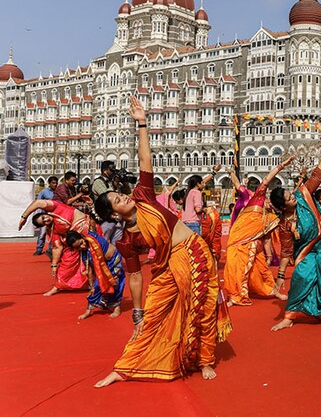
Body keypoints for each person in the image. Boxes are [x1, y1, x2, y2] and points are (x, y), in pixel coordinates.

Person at [91, 96, 228, 387]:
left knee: (201, 305)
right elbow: (136, 278)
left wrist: (141, 123)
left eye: (120, 194)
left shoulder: (143, 196)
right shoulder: (127, 240)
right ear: (115, 214)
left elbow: (145, 160)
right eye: (118, 200)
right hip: (167, 266)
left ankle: (205, 360)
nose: (124, 196)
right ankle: (124, 367)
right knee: (151, 317)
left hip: (193, 252)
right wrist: (137, 312)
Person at [270, 138, 321, 331]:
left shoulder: (302, 196)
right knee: (300, 276)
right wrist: (280, 276)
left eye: (290, 194)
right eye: (288, 199)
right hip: (308, 251)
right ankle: (289, 316)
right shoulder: (285, 225)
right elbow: (287, 251)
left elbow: (316, 177)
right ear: (282, 207)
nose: (292, 198)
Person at [224, 157, 295, 306]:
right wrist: (282, 165)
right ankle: (235, 295)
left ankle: (273, 291)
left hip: (254, 242)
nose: (269, 204)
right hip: (237, 237)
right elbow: (266, 180)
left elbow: (267, 238)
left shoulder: (272, 218)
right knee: (234, 265)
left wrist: (270, 256)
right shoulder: (255, 198)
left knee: (261, 266)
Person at [19, 199, 95, 296]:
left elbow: (37, 203)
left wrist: (24, 217)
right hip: (77, 243)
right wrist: (54, 265)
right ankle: (59, 286)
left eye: (43, 218)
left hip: (91, 231)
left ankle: (101, 283)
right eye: (43, 223)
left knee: (96, 259)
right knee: (67, 258)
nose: (46, 220)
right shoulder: (54, 230)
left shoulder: (56, 207)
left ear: (44, 213)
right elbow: (57, 248)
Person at [64, 230, 125, 320]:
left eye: (81, 243)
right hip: (102, 269)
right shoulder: (84, 252)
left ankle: (117, 308)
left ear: (83, 237)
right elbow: (90, 269)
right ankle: (89, 310)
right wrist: (91, 285)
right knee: (96, 287)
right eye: (78, 247)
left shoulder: (93, 239)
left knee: (115, 283)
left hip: (114, 261)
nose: (82, 246)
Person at [182, 168, 221, 235]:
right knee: (196, 244)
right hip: (193, 223)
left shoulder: (190, 192)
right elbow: (198, 209)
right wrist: (205, 210)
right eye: (202, 182)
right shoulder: (197, 193)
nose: (204, 184)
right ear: (198, 184)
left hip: (186, 222)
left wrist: (214, 172)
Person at [33, 176, 58, 256]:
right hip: (45, 216)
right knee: (42, 233)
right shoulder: (44, 192)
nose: (55, 185)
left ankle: (50, 249)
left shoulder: (58, 192)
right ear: (49, 183)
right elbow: (38, 202)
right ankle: (39, 249)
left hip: (54, 216)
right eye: (53, 183)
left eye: (56, 183)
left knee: (52, 234)